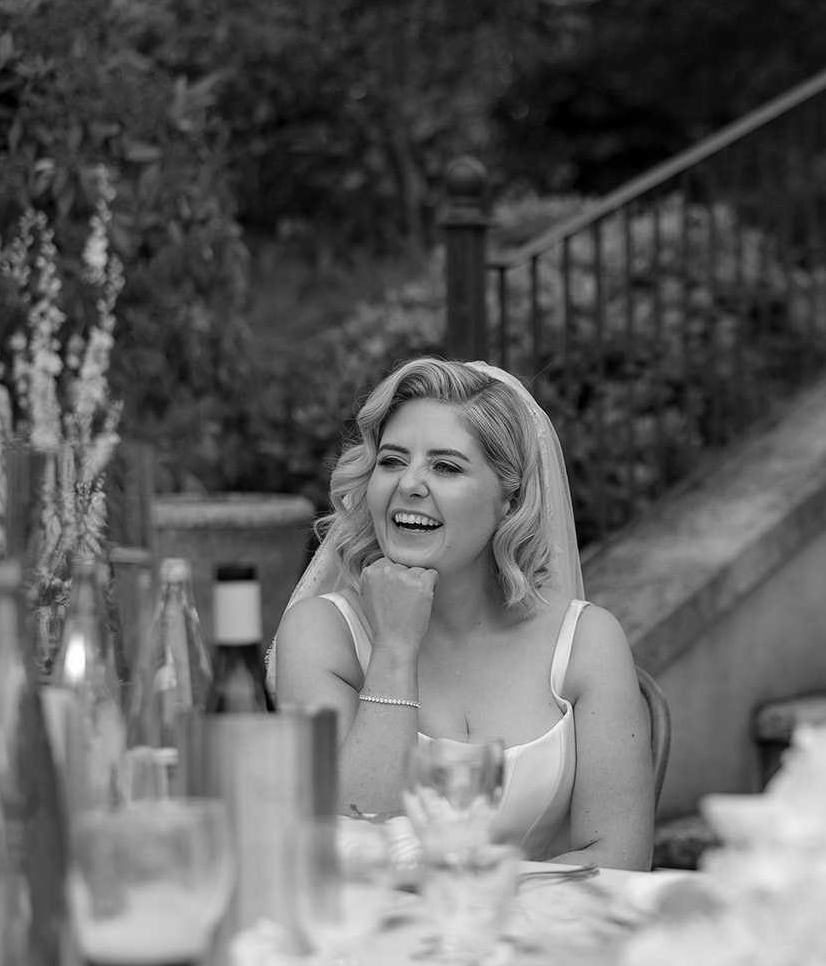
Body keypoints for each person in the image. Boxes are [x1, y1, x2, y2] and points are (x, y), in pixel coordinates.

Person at [272, 357, 655, 871]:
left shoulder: (587, 642)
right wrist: (394, 647)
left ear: (509, 497)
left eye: (446, 467)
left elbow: (620, 859)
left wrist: (483, 912)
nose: (408, 484)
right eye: (391, 461)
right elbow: (349, 836)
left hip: (548, 941)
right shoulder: (321, 634)